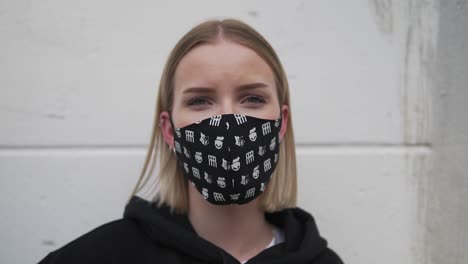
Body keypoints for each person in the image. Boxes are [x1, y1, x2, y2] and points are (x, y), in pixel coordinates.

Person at [38, 18, 343, 264]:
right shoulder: (96, 257)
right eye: (200, 101)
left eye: (252, 98)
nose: (227, 118)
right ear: (169, 130)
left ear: (281, 124)